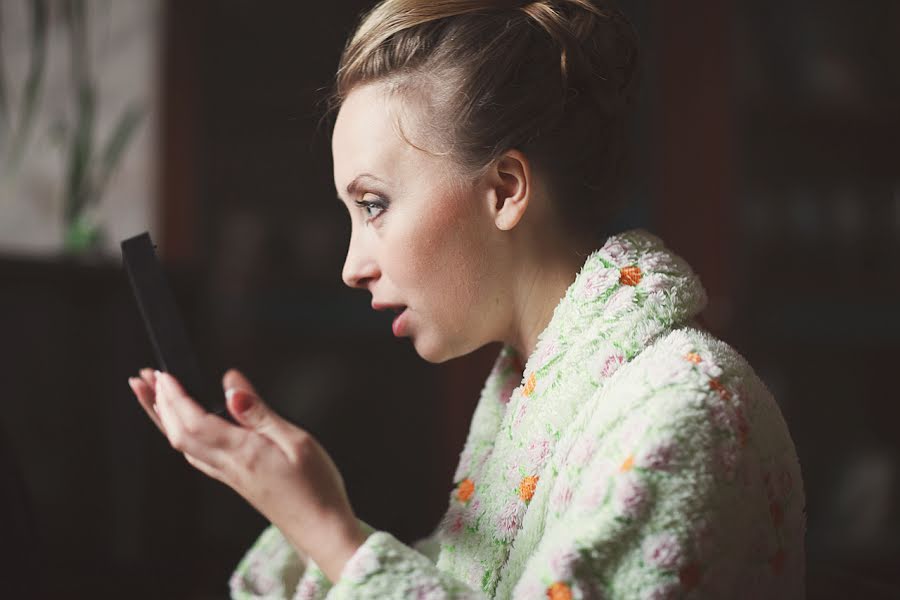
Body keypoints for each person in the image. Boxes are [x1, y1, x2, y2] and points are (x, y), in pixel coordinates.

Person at [128, 0, 806, 597]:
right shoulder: (538, 396)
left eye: (374, 205)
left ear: (506, 190)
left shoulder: (687, 407)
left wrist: (326, 529)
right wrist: (289, 506)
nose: (351, 266)